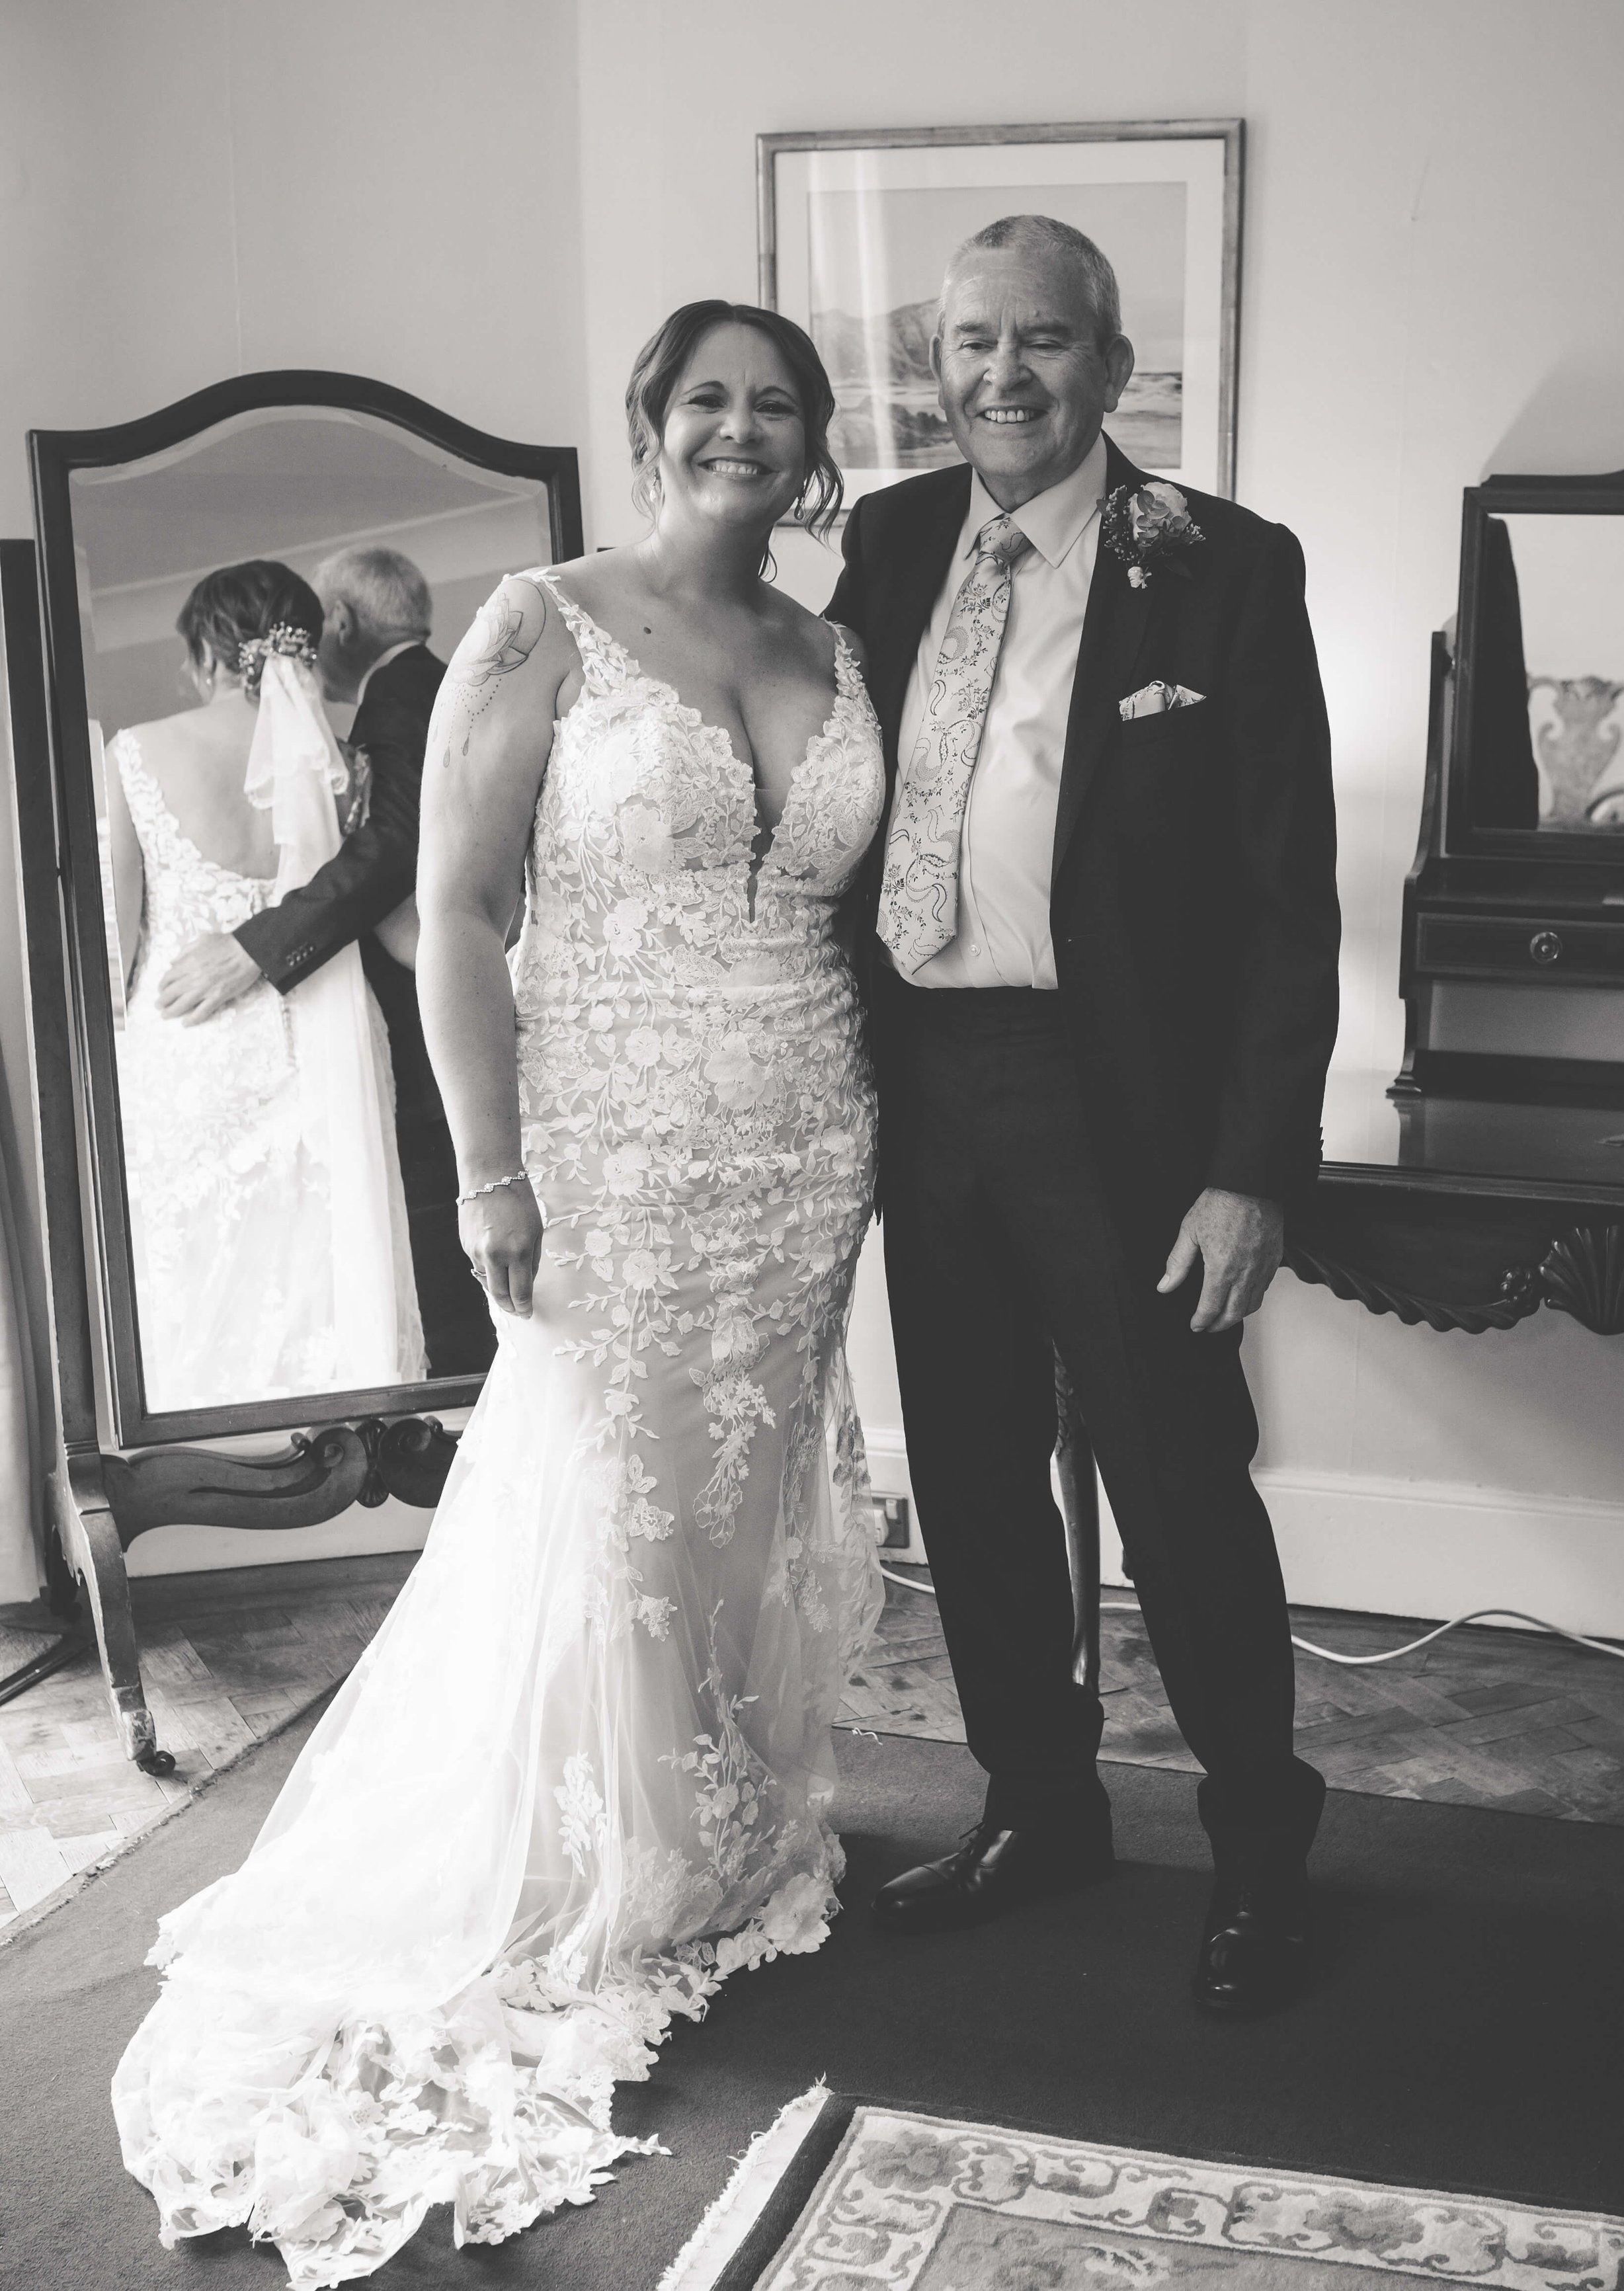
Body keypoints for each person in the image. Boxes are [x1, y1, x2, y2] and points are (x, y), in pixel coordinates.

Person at [112, 302, 888, 2282]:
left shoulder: (837, 647)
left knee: (734, 1502)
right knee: (600, 1503)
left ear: (810, 446)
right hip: (605, 1142)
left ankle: (723, 1833)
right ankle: (589, 1866)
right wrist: (488, 1165)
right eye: (705, 397)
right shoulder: (542, 619)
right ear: (650, 423)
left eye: (773, 406)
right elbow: (452, 905)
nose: (740, 428)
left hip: (805, 1139)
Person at [828, 215, 1341, 2016]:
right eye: (970, 344)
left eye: (1041, 341)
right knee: (965, 1479)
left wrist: (1247, 1170)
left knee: (1179, 1486)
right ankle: (1037, 1808)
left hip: (1117, 1106)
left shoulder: (1221, 567)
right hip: (926, 1093)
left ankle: (1261, 1851)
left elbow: (1289, 898)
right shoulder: (886, 545)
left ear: (1111, 366)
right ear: (934, 366)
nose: (1000, 377)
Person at [157, 545, 495, 1375]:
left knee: (443, 1251)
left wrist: (257, 947)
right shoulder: (423, 689)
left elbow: (392, 846)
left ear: (339, 622)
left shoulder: (412, 697)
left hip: (436, 1014)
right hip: (416, 1011)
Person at [107, 559, 426, 1412]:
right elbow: (390, 919)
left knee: (195, 1274)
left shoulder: (138, 752)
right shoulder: (351, 757)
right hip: (327, 1052)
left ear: (213, 651)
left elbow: (114, 941)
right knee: (319, 1263)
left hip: (188, 1043)